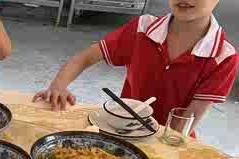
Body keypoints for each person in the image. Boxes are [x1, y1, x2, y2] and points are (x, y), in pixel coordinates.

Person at [33, 0, 238, 130]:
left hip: (170, 140)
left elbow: (185, 121)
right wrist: (58, 86)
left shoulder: (224, 56)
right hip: (123, 127)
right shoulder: (142, 28)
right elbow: (84, 58)